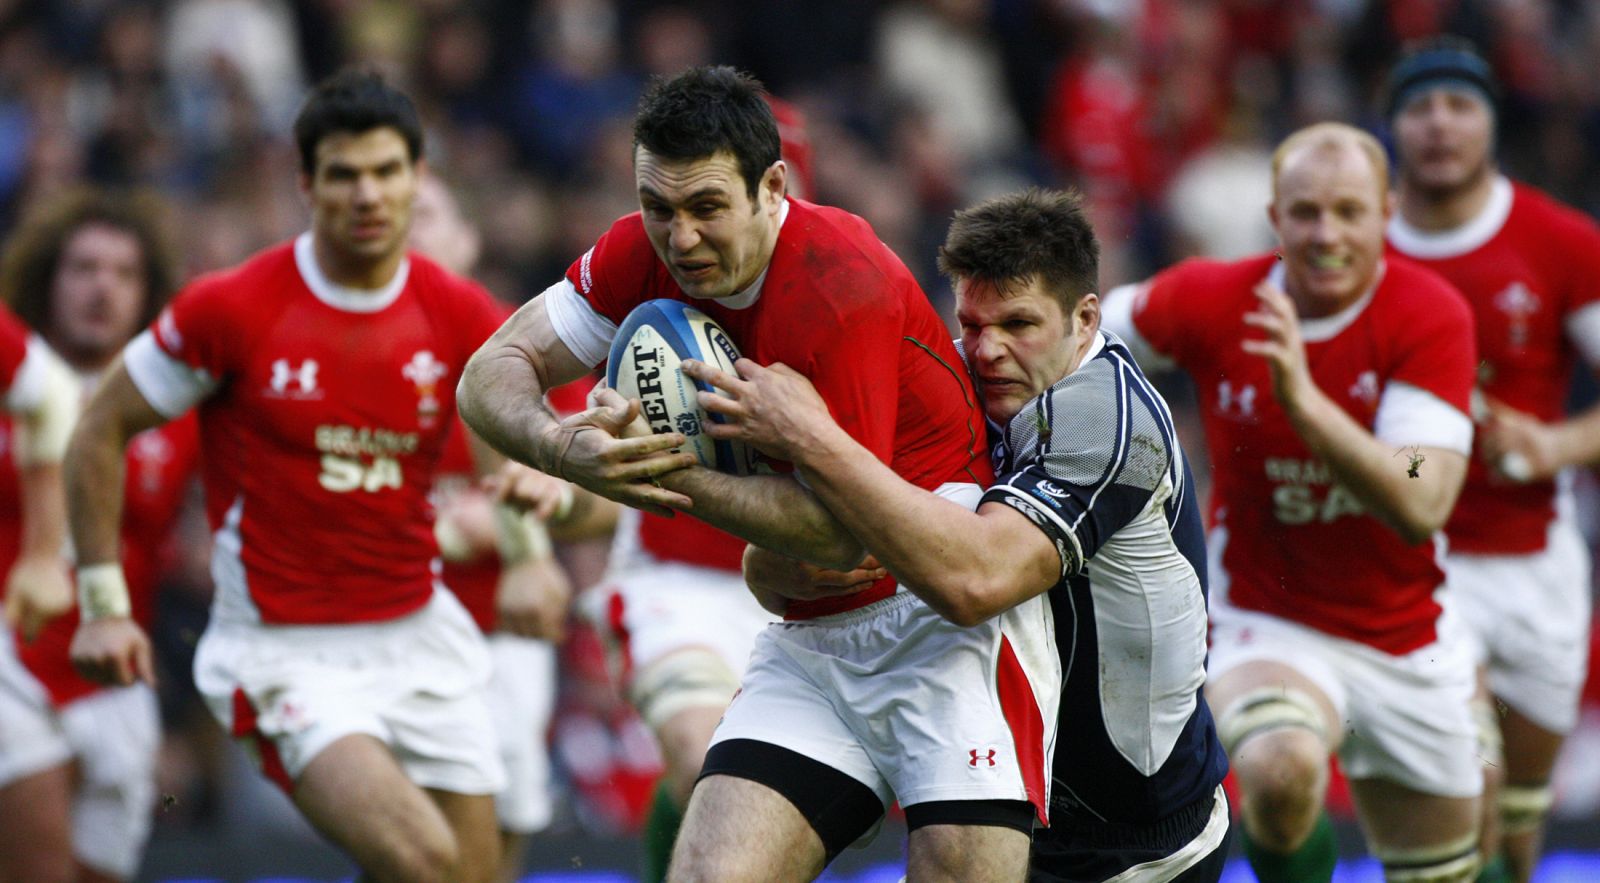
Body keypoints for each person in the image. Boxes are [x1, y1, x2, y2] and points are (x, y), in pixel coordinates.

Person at [458, 65, 1058, 882]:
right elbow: (492, 372)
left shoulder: (841, 279)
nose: (681, 239)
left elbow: (841, 535)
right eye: (658, 208)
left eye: (707, 208)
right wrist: (566, 449)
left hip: (944, 628)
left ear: (772, 185)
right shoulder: (641, 250)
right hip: (812, 635)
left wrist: (654, 470)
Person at [688, 187, 1232, 882]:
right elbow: (787, 560)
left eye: (1019, 324)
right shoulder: (949, 380)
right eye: (972, 324)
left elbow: (977, 580)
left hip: (1137, 845)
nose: (989, 350)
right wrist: (775, 568)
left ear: (1085, 316)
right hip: (993, 794)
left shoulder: (1108, 421)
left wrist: (812, 437)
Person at [64, 69, 518, 883]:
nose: (367, 194)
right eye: (343, 174)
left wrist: (541, 518)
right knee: (424, 860)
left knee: (475, 876)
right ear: (305, 184)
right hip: (284, 650)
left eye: (386, 171)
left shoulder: (459, 311)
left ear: (418, 179)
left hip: (420, 631)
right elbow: (99, 427)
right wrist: (100, 603)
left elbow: (520, 461)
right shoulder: (233, 307)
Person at [1100, 122, 1483, 882]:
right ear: (1274, 217)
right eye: (1305, 212)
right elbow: (1084, 331)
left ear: (1388, 213)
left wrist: (1304, 404)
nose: (1326, 233)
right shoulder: (1214, 297)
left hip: (1409, 634)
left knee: (1445, 869)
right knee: (1279, 770)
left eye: (1349, 211)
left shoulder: (1430, 313)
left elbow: (1422, 493)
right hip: (1269, 620)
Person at [1383, 37, 1600, 883]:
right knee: (1467, 783)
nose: (1440, 125)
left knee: (1518, 818)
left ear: (1491, 123)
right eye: (1419, 107)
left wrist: (1555, 443)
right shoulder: (1358, 252)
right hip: (1420, 564)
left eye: (1459, 106)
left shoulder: (1561, 243)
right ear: (1393, 128)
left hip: (1537, 561)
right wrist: (1403, 466)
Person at [0, 188, 195, 883]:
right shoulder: (9, 385)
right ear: (46, 279)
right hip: (12, 664)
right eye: (82, 268)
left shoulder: (182, 410)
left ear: (149, 294)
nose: (100, 288)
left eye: (122, 272)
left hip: (117, 675)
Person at [409, 173, 567, 883]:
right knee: (406, 832)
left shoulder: (517, 348)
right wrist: (438, 525)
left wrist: (520, 516)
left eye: (425, 214)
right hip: (381, 626)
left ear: (467, 240)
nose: (405, 229)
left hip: (500, 628)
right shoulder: (327, 346)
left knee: (500, 823)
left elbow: (577, 467)